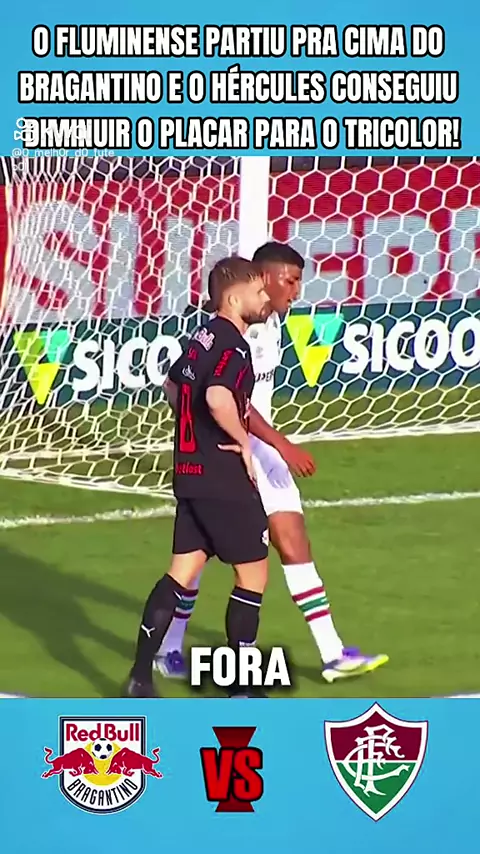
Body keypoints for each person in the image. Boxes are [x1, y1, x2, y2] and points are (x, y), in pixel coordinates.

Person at [155, 242, 388, 684]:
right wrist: (280, 444)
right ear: (262, 279)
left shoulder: (270, 323)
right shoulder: (240, 329)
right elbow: (227, 398)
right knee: (199, 557)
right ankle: (173, 650)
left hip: (256, 449)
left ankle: (332, 653)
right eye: (290, 281)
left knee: (290, 539)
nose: (296, 291)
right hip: (238, 448)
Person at [126, 256, 271, 698]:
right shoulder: (234, 346)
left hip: (189, 473)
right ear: (234, 298)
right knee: (253, 575)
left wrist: (197, 433)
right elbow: (216, 396)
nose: (265, 298)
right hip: (223, 478)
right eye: (258, 291)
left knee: (180, 573)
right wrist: (242, 442)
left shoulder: (200, 338)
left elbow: (173, 386)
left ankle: (139, 678)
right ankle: (242, 686)